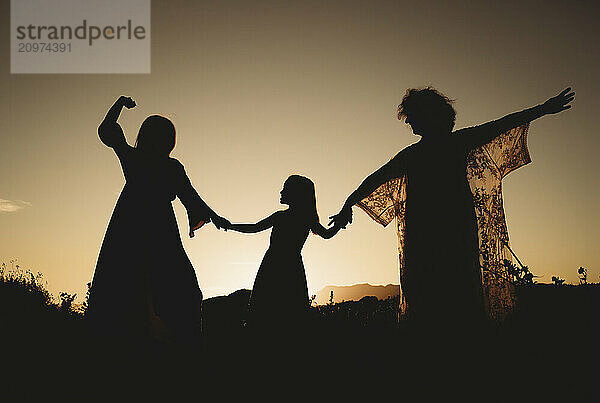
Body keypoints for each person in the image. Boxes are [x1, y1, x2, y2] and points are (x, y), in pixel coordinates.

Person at [329, 87, 574, 330]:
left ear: (428, 116)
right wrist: (347, 205)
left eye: (412, 115)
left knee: (453, 298)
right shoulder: (422, 152)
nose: (409, 122)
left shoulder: (443, 147)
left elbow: (503, 124)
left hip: (450, 237)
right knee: (435, 299)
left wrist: (543, 109)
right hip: (430, 238)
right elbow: (375, 179)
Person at [87, 95, 229, 346]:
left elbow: (191, 197)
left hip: (132, 226)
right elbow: (192, 199)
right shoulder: (158, 164)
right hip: (153, 229)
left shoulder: (141, 160)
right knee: (169, 285)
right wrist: (214, 217)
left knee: (141, 281)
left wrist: (119, 104)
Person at [225, 175, 343, 332]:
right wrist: (340, 222)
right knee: (291, 312)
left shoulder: (281, 216)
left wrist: (230, 226)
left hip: (272, 265)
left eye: (285, 189)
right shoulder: (306, 219)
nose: (281, 192)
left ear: (295, 194)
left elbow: (253, 228)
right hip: (292, 267)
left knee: (265, 311)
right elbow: (327, 234)